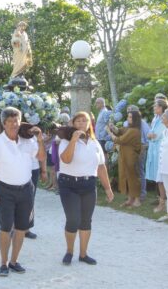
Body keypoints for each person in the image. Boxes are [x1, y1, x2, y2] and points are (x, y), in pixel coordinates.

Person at [0, 107, 45, 277]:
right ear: (3, 124)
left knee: (21, 228)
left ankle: (14, 261)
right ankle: (3, 263)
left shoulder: (28, 141)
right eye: (9, 121)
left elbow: (40, 158)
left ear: (20, 121)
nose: (13, 124)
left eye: (15, 120)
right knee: (5, 228)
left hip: (25, 189)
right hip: (4, 190)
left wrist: (40, 140)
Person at [58, 111, 114, 265]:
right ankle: (69, 251)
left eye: (85, 121)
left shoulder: (95, 143)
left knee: (86, 221)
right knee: (73, 220)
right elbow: (66, 160)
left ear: (90, 124)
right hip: (69, 184)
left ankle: (83, 254)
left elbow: (101, 167)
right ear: (73, 124)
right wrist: (74, 140)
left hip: (89, 184)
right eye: (78, 121)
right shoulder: (65, 141)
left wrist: (108, 188)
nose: (82, 124)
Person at [108, 111, 142, 207]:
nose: (128, 118)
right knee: (126, 177)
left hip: (131, 156)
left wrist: (109, 132)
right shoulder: (129, 128)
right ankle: (130, 199)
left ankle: (137, 200)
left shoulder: (134, 130)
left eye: (130, 117)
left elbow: (119, 140)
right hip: (125, 155)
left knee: (133, 177)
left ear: (135, 119)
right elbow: (119, 131)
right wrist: (112, 127)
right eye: (128, 116)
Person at [146, 99, 168, 212]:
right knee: (158, 177)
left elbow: (156, 135)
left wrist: (151, 135)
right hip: (154, 149)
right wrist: (150, 135)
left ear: (161, 108)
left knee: (162, 177)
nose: (154, 108)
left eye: (156, 106)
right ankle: (162, 201)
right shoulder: (155, 118)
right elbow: (149, 133)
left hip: (160, 150)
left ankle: (165, 202)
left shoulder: (164, 118)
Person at [126, 105, 150, 201]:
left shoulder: (143, 124)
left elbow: (147, 140)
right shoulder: (127, 124)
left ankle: (142, 194)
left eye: (131, 112)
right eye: (128, 112)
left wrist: (141, 151)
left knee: (140, 172)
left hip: (140, 150)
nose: (128, 114)